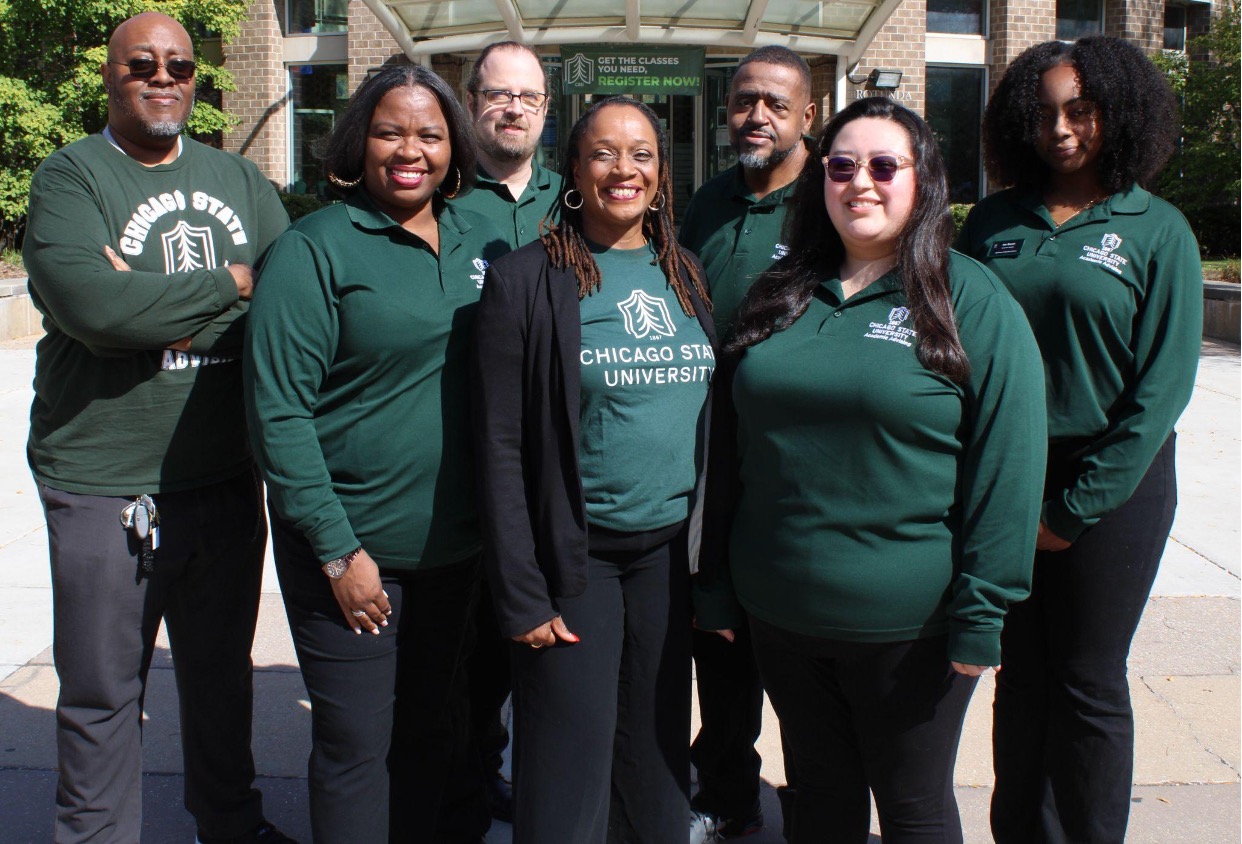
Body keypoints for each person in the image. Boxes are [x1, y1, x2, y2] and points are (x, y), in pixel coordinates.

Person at [695, 96, 1047, 844]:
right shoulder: (781, 291)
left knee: (913, 807)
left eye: (885, 166)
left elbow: (1007, 470)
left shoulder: (968, 299)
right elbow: (731, 453)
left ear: (923, 181)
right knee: (818, 801)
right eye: (843, 166)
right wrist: (718, 585)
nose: (862, 183)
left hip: (909, 627)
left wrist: (984, 613)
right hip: (780, 614)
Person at [22, 12, 292, 844]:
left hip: (219, 474)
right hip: (105, 482)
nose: (164, 76)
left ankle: (231, 823)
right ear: (110, 74)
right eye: (142, 64)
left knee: (221, 678)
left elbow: (286, 308)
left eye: (179, 64)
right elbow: (92, 307)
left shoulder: (241, 181)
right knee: (104, 691)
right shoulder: (71, 179)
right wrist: (230, 285)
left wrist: (155, 310)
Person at [244, 64, 507, 843]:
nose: (410, 150)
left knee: (432, 732)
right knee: (357, 746)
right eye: (391, 131)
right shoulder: (314, 249)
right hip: (355, 556)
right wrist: (336, 551)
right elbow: (279, 414)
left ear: (454, 147)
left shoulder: (479, 235)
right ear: (360, 141)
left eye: (429, 134)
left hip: (456, 551)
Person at [956, 36, 1203, 844]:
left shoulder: (1156, 230)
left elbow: (1161, 392)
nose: (1061, 129)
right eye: (1047, 112)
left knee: (1087, 680)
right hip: (1004, 476)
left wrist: (1072, 508)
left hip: (1113, 484)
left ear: (1119, 114)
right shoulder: (991, 222)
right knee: (1018, 677)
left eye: (1082, 111)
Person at [472, 95, 715, 844]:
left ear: (662, 171)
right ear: (573, 170)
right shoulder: (527, 280)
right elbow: (500, 446)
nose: (624, 169)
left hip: (669, 555)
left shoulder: (686, 273)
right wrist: (522, 594)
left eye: (641, 153)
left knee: (654, 751)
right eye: (603, 152)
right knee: (568, 762)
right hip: (576, 560)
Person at [678, 45, 815, 843]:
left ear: (806, 117)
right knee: (717, 635)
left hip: (789, 448)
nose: (755, 116)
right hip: (707, 449)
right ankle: (725, 792)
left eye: (773, 102)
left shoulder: (826, 201)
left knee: (792, 641)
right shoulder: (708, 201)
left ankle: (817, 802)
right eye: (742, 102)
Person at [452, 40, 562, 822]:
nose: (513, 107)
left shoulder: (580, 196)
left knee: (557, 652)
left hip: (559, 472)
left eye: (527, 96)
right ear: (471, 101)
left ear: (546, 109)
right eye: (497, 94)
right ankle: (471, 781)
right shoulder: (439, 197)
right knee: (470, 664)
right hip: (463, 470)